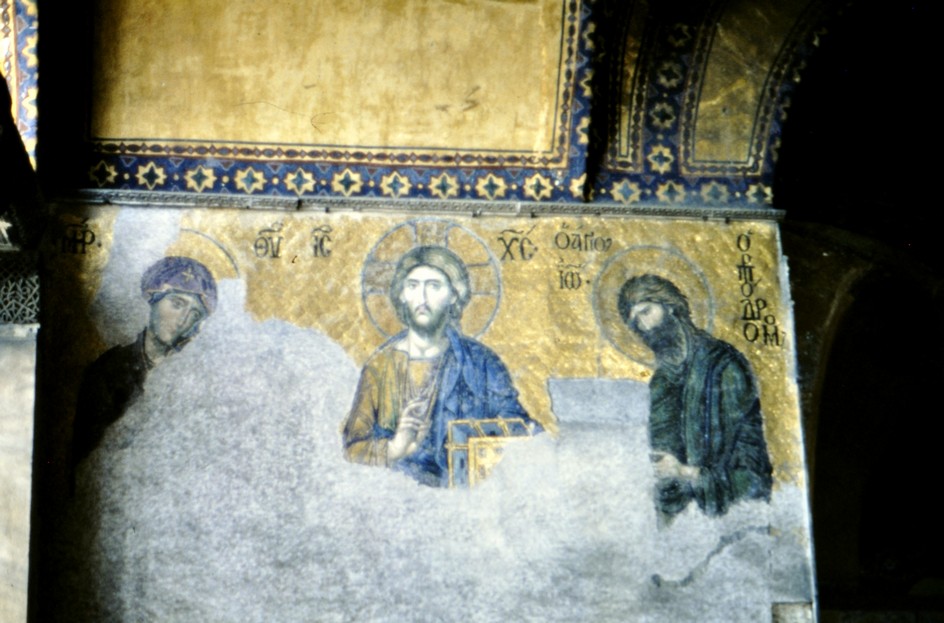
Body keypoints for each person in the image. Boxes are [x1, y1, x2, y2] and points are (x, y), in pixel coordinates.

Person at [341, 245, 540, 487]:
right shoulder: (380, 367)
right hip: (397, 494)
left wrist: (479, 445)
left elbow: (522, 430)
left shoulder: (482, 363)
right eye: (413, 286)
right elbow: (351, 449)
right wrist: (395, 448)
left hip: (466, 495)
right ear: (401, 294)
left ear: (454, 295)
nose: (422, 299)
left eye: (434, 286)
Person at [618, 274, 772, 519]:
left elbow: (751, 471)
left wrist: (685, 473)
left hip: (736, 514)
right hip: (686, 517)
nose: (644, 327)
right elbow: (662, 453)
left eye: (646, 312)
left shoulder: (723, 366)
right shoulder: (661, 381)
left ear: (670, 306)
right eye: (635, 322)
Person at [72, 256, 217, 467]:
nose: (182, 320)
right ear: (154, 299)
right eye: (177, 304)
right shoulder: (110, 368)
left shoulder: (190, 377)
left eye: (194, 314)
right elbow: (84, 452)